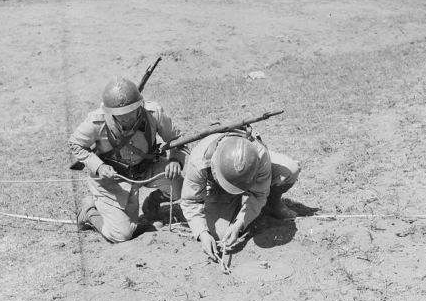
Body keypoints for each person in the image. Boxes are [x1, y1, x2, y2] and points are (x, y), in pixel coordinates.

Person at [68, 77, 187, 242]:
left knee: (181, 187)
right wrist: (99, 167)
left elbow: (177, 139)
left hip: (146, 168)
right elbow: (75, 144)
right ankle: (88, 212)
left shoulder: (153, 113)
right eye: (119, 115)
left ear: (140, 105)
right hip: (113, 180)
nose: (126, 119)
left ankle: (151, 205)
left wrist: (175, 160)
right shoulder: (96, 122)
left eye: (130, 113)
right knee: (121, 234)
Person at [180, 129, 301, 261]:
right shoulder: (199, 160)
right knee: (220, 234)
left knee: (290, 169)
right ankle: (238, 206)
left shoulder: (259, 155)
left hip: (251, 176)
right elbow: (190, 201)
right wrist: (202, 234)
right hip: (219, 188)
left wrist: (238, 224)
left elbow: (259, 194)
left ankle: (272, 203)